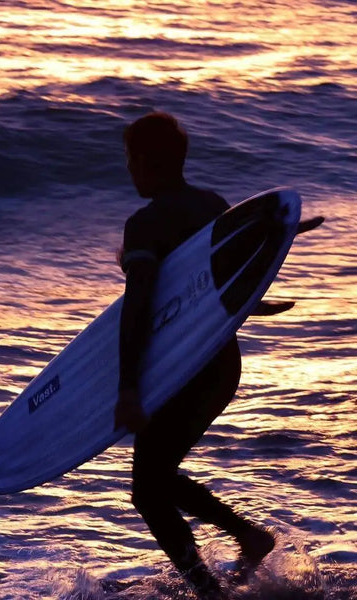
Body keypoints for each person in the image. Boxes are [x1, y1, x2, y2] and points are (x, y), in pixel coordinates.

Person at [114, 112, 277, 600]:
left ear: (145, 161)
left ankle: (209, 589)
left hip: (180, 372)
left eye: (129, 159)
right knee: (156, 476)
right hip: (222, 364)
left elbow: (139, 306)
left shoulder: (144, 223)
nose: (128, 169)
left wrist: (127, 387)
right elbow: (229, 280)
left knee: (147, 490)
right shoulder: (214, 206)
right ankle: (246, 539)